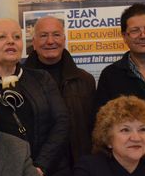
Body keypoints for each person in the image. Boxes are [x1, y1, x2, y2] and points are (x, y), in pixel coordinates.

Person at [0, 19, 71, 176]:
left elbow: (61, 123)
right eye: (2, 37)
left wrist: (39, 167)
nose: (11, 41)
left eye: (16, 37)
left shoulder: (42, 79)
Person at [25, 16, 96, 164]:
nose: (50, 41)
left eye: (56, 35)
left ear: (64, 40)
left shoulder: (85, 80)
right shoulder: (19, 81)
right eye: (43, 35)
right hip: (34, 167)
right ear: (34, 42)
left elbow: (93, 129)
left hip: (77, 169)